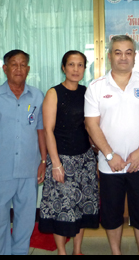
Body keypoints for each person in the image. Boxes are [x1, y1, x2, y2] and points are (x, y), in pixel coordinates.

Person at [84, 35, 139, 255]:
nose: (123, 57)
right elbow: (91, 125)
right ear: (110, 56)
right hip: (110, 165)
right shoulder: (96, 87)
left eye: (128, 52)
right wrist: (109, 155)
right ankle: (116, 252)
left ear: (135, 56)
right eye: (118, 52)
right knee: (111, 214)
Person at [0, 50, 47, 255]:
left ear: (28, 69)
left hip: (29, 168)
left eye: (22, 65)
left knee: (25, 219)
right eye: (13, 64)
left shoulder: (37, 95)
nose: (18, 69)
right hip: (0, 170)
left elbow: (41, 130)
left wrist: (44, 160)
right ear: (5, 68)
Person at [39, 51, 99, 255]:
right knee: (61, 208)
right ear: (63, 67)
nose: (76, 69)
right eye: (71, 65)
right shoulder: (53, 93)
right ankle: (62, 252)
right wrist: (55, 163)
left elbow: (89, 126)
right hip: (62, 158)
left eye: (80, 65)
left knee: (81, 205)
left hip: (85, 158)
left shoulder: (87, 92)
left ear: (84, 68)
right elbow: (48, 130)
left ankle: (77, 250)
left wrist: (96, 155)